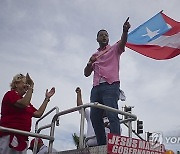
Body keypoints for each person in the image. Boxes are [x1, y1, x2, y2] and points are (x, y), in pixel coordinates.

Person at [84, 18, 130, 145]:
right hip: (96, 88)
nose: (104, 37)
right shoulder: (95, 55)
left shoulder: (114, 49)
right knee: (94, 117)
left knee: (112, 115)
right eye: (101, 35)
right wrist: (89, 63)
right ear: (97, 39)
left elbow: (123, 42)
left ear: (108, 38)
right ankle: (102, 145)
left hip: (111, 86)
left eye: (106, 35)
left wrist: (125, 31)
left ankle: (116, 144)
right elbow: (86, 73)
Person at [0, 73, 55, 154]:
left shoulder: (26, 102)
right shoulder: (10, 94)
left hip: (23, 138)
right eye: (24, 83)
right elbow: (23, 104)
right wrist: (31, 87)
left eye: (27, 83)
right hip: (9, 136)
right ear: (16, 83)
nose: (26, 85)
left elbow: (38, 113)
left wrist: (46, 99)